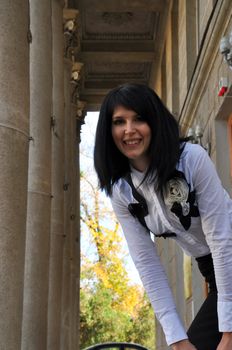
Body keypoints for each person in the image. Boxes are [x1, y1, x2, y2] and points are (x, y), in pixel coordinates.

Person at [93, 83, 232, 350]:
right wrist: (177, 338)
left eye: (139, 119)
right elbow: (147, 263)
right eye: (119, 122)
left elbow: (222, 239)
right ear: (109, 131)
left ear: (154, 122)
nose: (129, 130)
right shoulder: (122, 192)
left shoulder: (191, 159)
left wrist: (228, 330)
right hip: (214, 272)